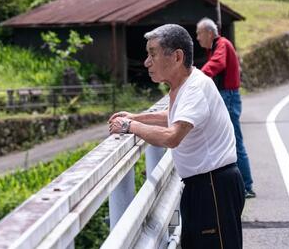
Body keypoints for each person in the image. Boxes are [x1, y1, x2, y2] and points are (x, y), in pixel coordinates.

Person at [109, 24, 245, 249]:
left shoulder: (194, 89)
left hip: (213, 187)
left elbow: (172, 136)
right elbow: (174, 116)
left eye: (152, 54)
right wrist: (138, 117)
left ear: (177, 56)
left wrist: (130, 126)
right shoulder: (184, 85)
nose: (146, 62)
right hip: (201, 186)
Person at [196, 17, 256, 199]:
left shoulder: (222, 44)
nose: (197, 38)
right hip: (227, 96)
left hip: (228, 96)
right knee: (227, 140)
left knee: (234, 140)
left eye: (199, 33)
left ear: (208, 32)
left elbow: (217, 64)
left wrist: (196, 78)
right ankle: (240, 185)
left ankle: (246, 186)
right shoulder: (215, 47)